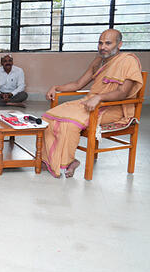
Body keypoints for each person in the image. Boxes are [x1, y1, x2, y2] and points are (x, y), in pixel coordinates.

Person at [42, 29, 143, 178]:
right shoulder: (99, 61)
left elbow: (123, 92)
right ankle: (52, 160)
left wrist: (99, 98)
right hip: (90, 103)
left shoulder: (128, 61)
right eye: (100, 43)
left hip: (112, 107)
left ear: (119, 44)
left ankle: (67, 162)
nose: (103, 47)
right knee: (47, 117)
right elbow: (78, 84)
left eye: (108, 43)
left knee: (70, 123)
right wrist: (57, 87)